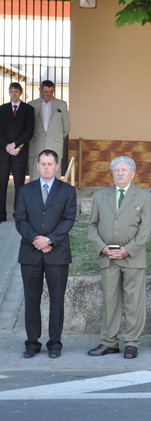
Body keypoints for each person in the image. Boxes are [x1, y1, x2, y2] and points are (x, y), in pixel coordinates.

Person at [87, 156, 151, 359]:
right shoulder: (100, 196)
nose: (120, 173)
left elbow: (145, 230)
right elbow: (92, 227)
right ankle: (109, 342)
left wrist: (128, 249)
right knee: (110, 301)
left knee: (134, 302)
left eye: (124, 170)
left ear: (132, 174)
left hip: (133, 257)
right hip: (108, 257)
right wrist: (103, 248)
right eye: (116, 170)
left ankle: (132, 343)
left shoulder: (144, 196)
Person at [14, 149, 76, 358]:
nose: (46, 167)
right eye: (43, 163)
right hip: (30, 254)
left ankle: (55, 343)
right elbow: (20, 219)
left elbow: (69, 219)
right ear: (37, 166)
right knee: (31, 299)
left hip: (57, 254)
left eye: (50, 164)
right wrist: (36, 239)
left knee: (57, 300)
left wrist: (49, 239)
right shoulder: (25, 190)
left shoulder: (67, 191)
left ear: (57, 166)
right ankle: (32, 343)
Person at [0, 82, 35, 223]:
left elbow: (29, 131)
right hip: (3, 153)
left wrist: (15, 145)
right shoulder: (2, 109)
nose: (14, 94)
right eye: (11, 91)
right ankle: (1, 214)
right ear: (9, 92)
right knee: (1, 184)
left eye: (16, 91)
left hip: (19, 152)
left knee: (20, 184)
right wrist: (7, 146)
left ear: (21, 92)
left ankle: (19, 214)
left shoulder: (28, 110)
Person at [28, 80, 70, 180]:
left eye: (51, 92)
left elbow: (66, 127)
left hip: (55, 145)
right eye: (46, 92)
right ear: (40, 90)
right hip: (36, 145)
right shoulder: (31, 105)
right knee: (35, 176)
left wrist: (56, 137)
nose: (49, 94)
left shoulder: (62, 105)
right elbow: (27, 126)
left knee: (54, 177)